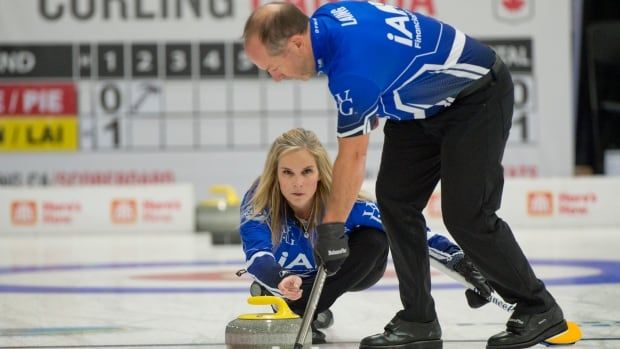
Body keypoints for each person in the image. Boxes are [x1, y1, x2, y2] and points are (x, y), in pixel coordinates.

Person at [242, 2, 569, 349]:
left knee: (467, 215)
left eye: (273, 68)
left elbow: (353, 157)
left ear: (295, 43)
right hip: (416, 107)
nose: (274, 78)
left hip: (475, 97)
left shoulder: (353, 70)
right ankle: (418, 320)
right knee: (395, 202)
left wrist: (331, 228)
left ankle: (539, 308)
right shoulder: (327, 19)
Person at [239, 128, 490, 345]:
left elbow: (410, 232)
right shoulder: (259, 202)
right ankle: (305, 304)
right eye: (288, 173)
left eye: (306, 171)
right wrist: (279, 278)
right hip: (286, 278)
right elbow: (256, 254)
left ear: (319, 172)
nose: (298, 183)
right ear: (275, 173)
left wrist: (461, 262)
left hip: (340, 273)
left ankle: (304, 309)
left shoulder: (345, 203)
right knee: (275, 277)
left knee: (375, 238)